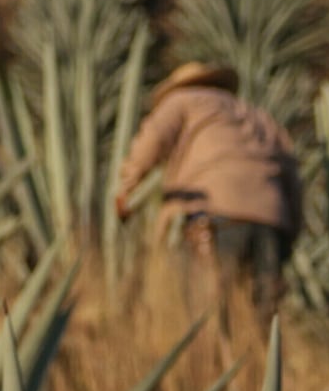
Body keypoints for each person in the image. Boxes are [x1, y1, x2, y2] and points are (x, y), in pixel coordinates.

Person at [113, 58, 299, 292]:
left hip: (215, 213)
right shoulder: (258, 116)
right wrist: (289, 230)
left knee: (211, 303)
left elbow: (153, 139)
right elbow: (292, 174)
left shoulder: (182, 99)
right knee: (262, 304)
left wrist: (127, 188)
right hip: (270, 219)